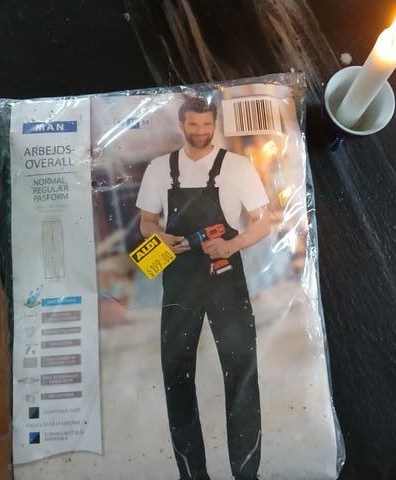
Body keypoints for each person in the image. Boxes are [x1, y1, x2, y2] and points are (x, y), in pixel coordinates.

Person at [136, 96, 270, 480]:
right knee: (176, 373)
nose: (200, 131)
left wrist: (231, 244)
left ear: (215, 123)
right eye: (193, 125)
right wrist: (159, 238)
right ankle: (192, 474)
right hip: (179, 275)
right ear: (182, 124)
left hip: (224, 272)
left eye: (207, 124)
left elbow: (263, 223)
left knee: (240, 368)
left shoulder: (238, 166)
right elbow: (147, 222)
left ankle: (246, 472)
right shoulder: (159, 169)